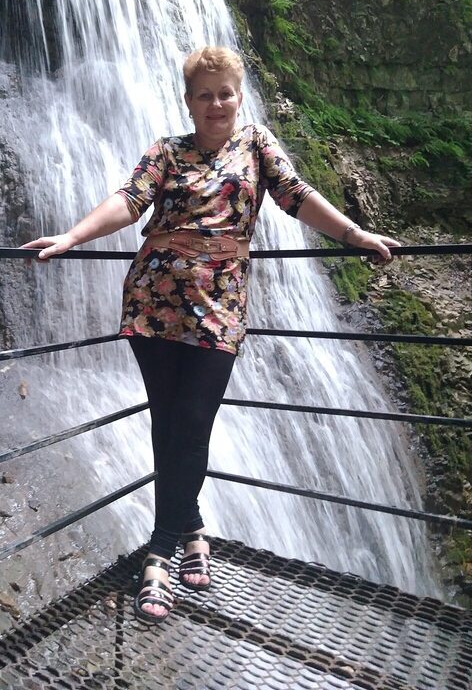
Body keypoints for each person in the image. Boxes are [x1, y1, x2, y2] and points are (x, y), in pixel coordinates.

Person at [21, 46, 399, 625]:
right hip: (153, 299)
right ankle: (190, 526)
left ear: (239, 96)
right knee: (170, 420)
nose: (216, 103)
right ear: (189, 101)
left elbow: (296, 195)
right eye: (205, 94)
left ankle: (160, 549)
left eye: (225, 93)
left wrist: (354, 234)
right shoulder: (167, 151)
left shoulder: (257, 145)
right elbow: (128, 202)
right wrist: (72, 237)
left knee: (194, 420)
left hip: (220, 304)